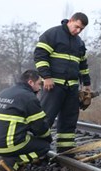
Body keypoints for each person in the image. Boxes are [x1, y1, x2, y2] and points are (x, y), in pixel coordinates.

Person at [34, 12, 91, 153]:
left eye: (81, 29)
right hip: (53, 86)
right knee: (45, 118)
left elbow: (83, 65)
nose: (78, 31)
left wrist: (87, 85)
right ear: (70, 21)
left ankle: (66, 150)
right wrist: (46, 77)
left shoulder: (79, 43)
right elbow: (40, 56)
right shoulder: (52, 34)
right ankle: (36, 149)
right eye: (76, 27)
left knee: (69, 119)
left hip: (72, 87)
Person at [0, 69, 52, 171]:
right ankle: (11, 162)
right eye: (39, 84)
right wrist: (47, 138)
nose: (40, 88)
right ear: (30, 83)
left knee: (26, 138)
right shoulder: (28, 97)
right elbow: (39, 127)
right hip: (6, 144)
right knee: (44, 147)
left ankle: (11, 158)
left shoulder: (5, 92)